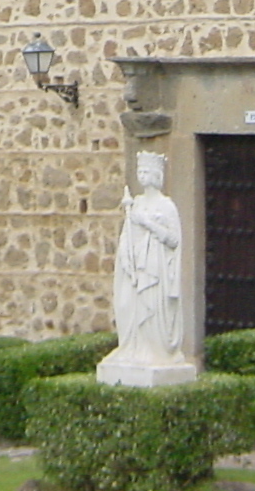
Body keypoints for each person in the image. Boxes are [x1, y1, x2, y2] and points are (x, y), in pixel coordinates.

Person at [110, 151, 184, 363]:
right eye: (139, 171)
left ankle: (155, 350)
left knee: (152, 307)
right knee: (133, 305)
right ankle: (135, 348)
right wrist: (127, 256)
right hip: (138, 265)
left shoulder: (167, 206)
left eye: (145, 171)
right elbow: (128, 233)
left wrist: (147, 223)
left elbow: (173, 239)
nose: (141, 175)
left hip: (156, 267)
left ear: (155, 174)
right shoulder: (137, 203)